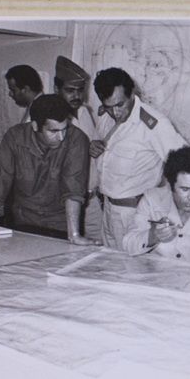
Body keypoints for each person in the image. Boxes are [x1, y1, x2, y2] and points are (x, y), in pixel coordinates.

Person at [0, 94, 93, 246]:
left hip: (61, 225)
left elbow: (73, 189)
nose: (61, 137)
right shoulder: (14, 138)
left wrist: (74, 235)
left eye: (64, 129)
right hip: (23, 222)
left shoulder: (77, 139)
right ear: (35, 126)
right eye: (53, 131)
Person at [93, 67, 188, 249]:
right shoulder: (106, 117)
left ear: (132, 94)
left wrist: (181, 212)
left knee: (132, 266)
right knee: (108, 264)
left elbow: (186, 164)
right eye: (109, 107)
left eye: (120, 105)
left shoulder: (153, 124)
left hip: (134, 214)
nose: (115, 113)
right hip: (107, 210)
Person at [53, 56, 114, 241]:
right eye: (70, 91)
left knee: (99, 248)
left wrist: (96, 147)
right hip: (64, 204)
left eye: (80, 90)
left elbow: (93, 148)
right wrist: (83, 149)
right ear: (56, 89)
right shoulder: (48, 118)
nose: (77, 96)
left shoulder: (84, 111)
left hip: (92, 201)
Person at [0, 64, 44, 170]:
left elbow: (21, 144)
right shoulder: (35, 105)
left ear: (25, 89)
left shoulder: (40, 108)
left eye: (13, 90)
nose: (10, 94)